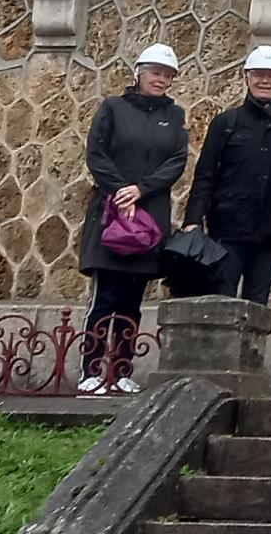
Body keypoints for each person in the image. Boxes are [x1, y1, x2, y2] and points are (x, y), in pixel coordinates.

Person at [77, 43, 189, 396]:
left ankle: (122, 369)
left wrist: (141, 189)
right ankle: (91, 370)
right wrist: (120, 190)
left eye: (168, 75)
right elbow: (96, 153)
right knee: (105, 298)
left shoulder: (175, 116)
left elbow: (176, 160)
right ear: (139, 72)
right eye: (156, 72)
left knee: (132, 300)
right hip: (112, 212)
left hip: (149, 214)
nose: (162, 80)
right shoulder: (112, 108)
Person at [179, 45, 271, 304]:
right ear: (246, 77)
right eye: (258, 74)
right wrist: (193, 219)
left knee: (256, 310)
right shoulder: (225, 123)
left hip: (269, 235)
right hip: (226, 232)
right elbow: (205, 175)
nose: (265, 80)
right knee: (219, 306)